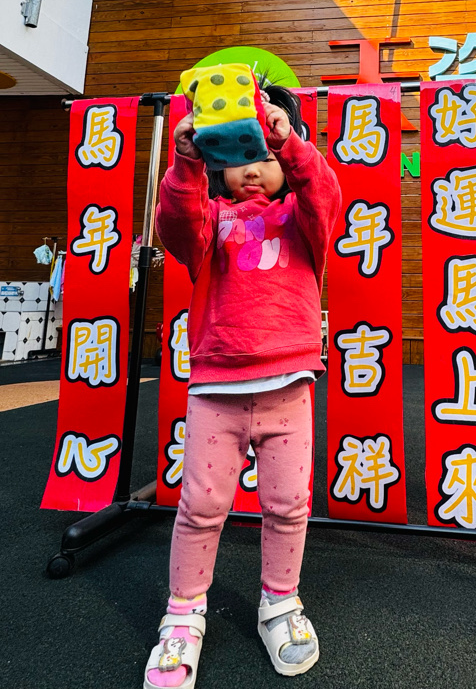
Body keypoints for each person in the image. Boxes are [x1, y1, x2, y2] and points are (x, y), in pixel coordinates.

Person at [144, 83, 341, 687]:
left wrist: (289, 142)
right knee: (201, 507)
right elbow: (175, 225)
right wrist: (186, 161)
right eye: (238, 157)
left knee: (289, 507)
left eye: (265, 155)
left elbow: (325, 193)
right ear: (220, 167)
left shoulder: (304, 217)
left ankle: (280, 603)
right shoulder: (211, 218)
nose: (252, 171)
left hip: (289, 388)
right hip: (216, 389)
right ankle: (183, 616)